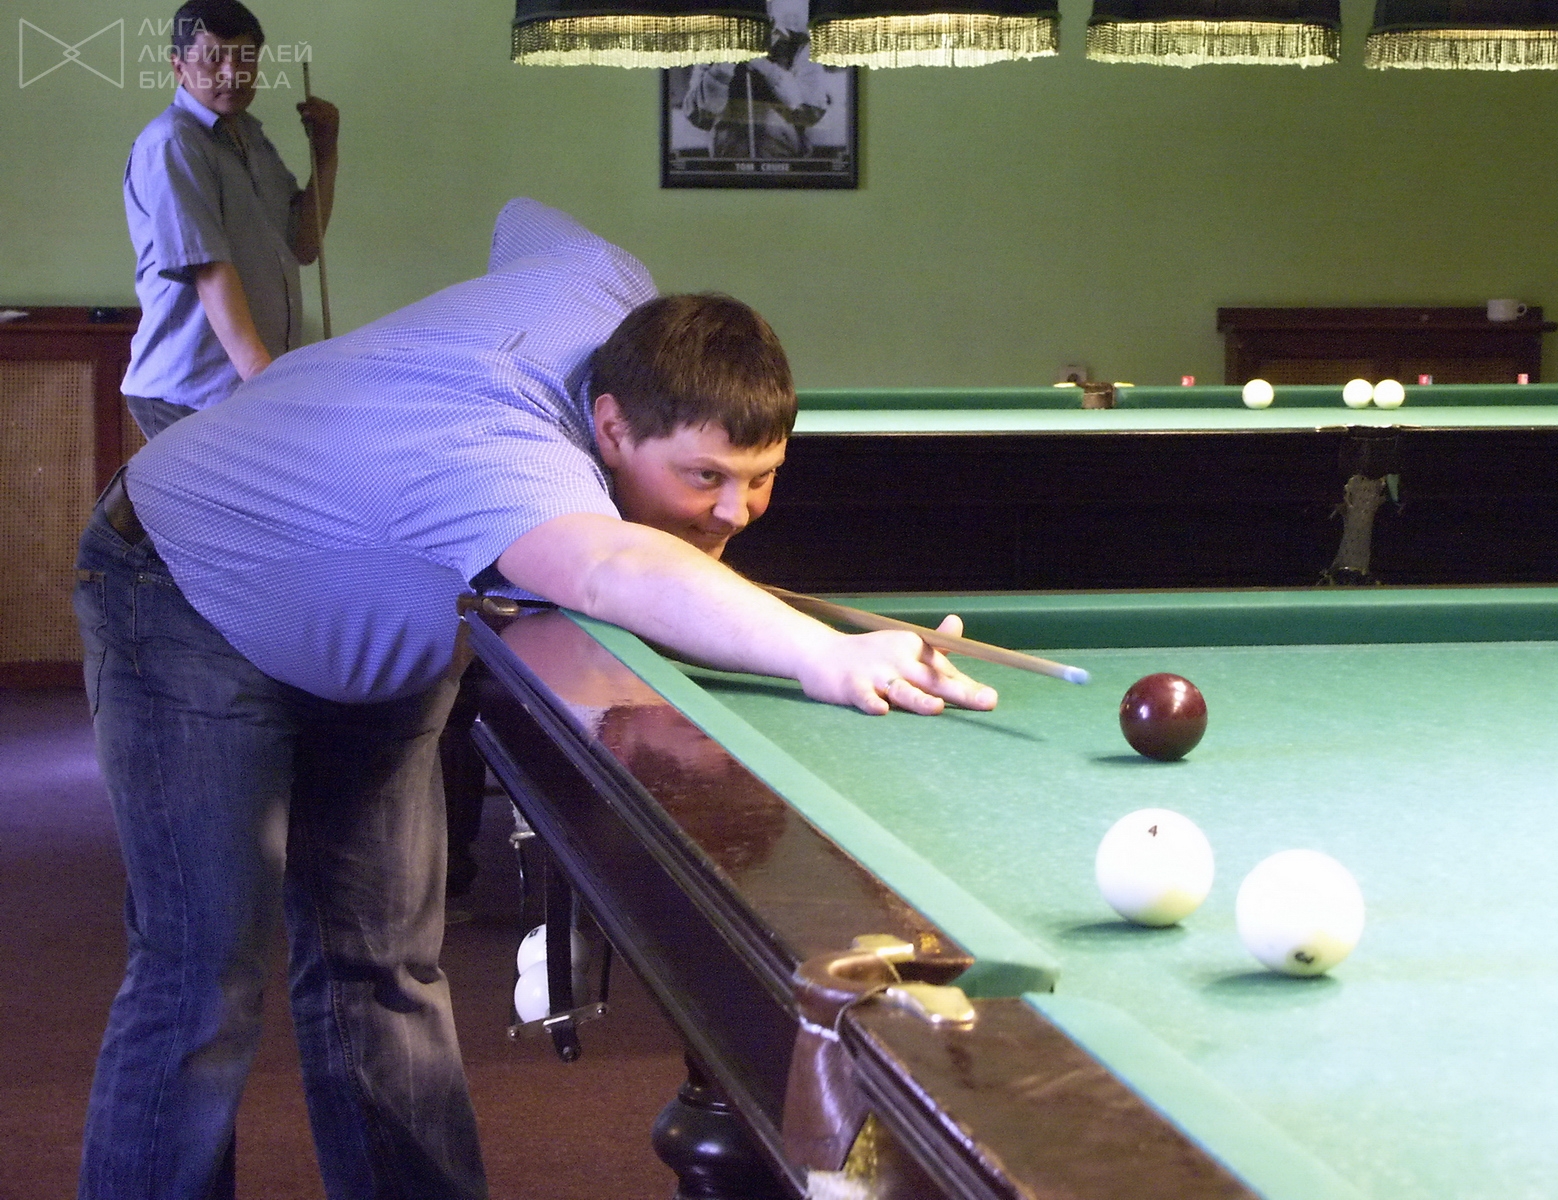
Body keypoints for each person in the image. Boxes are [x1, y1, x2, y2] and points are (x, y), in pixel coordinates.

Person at [74, 197, 995, 1200]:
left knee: (384, 965)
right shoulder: (503, 457)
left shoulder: (603, 286)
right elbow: (606, 567)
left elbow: (521, 219)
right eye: (704, 477)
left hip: (379, 593)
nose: (735, 511)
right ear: (610, 425)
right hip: (186, 579)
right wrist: (823, 654)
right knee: (204, 975)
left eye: (760, 476)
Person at [120, 0, 338, 439]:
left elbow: (303, 245)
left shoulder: (249, 135)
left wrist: (326, 153)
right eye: (213, 58)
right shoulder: (173, 142)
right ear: (179, 67)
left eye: (244, 59)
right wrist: (263, 379)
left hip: (239, 387)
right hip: (189, 392)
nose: (231, 73)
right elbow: (209, 269)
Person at [682, 0, 839, 160]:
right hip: (727, 165)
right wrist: (723, 66)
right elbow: (697, 116)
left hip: (786, 164)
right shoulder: (711, 47)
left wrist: (763, 66)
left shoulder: (800, 46)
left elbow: (812, 113)